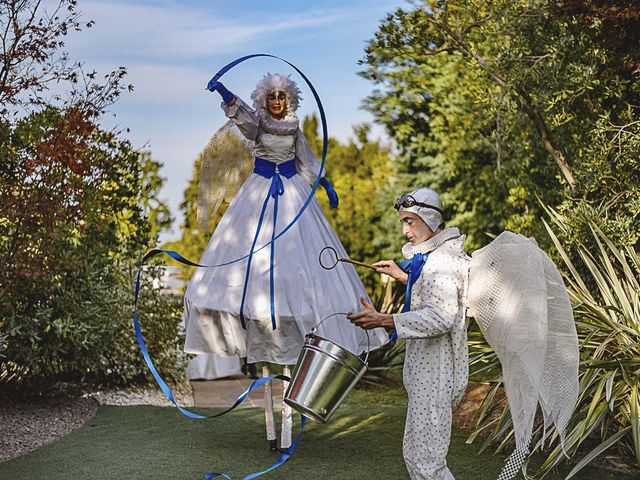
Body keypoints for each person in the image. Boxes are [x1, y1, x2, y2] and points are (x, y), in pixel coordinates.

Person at [183, 72, 388, 451]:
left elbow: (307, 160)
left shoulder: (293, 126)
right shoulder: (257, 122)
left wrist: (324, 183)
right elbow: (241, 118)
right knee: (255, 265)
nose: (277, 101)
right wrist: (225, 94)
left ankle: (294, 376)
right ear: (264, 98)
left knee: (300, 268)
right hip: (260, 196)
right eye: (271, 95)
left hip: (292, 196)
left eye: (282, 95)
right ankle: (262, 363)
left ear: (289, 99)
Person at [347, 187, 470, 480]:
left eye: (409, 221)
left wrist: (384, 319)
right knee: (416, 456)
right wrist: (402, 277)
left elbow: (440, 317)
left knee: (427, 462)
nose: (405, 231)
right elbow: (432, 296)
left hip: (436, 372)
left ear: (428, 218)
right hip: (425, 373)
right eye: (403, 221)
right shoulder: (435, 259)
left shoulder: (445, 261)